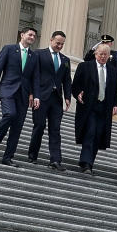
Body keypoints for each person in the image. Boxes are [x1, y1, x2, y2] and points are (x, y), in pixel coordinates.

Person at [0, 27, 38, 166]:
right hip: (7, 90)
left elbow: (35, 78)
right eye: (30, 34)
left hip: (24, 94)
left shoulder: (34, 56)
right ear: (22, 35)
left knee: (18, 126)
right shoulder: (9, 49)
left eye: (34, 36)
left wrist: (35, 95)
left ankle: (8, 157)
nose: (32, 37)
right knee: (10, 114)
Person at [71, 42, 117, 176]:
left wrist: (116, 105)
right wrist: (78, 93)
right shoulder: (85, 66)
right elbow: (75, 85)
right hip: (89, 106)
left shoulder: (113, 71)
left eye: (106, 55)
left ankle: (88, 162)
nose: (103, 57)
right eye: (101, 54)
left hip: (104, 108)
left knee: (98, 135)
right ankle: (86, 162)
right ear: (95, 54)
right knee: (90, 132)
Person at [27, 30, 71, 171]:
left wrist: (68, 97)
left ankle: (55, 160)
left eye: (62, 44)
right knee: (39, 126)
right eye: (58, 43)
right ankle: (32, 155)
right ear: (51, 40)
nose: (59, 46)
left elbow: (67, 81)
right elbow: (33, 76)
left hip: (56, 99)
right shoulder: (39, 54)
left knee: (55, 129)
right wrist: (32, 94)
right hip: (41, 97)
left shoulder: (65, 60)